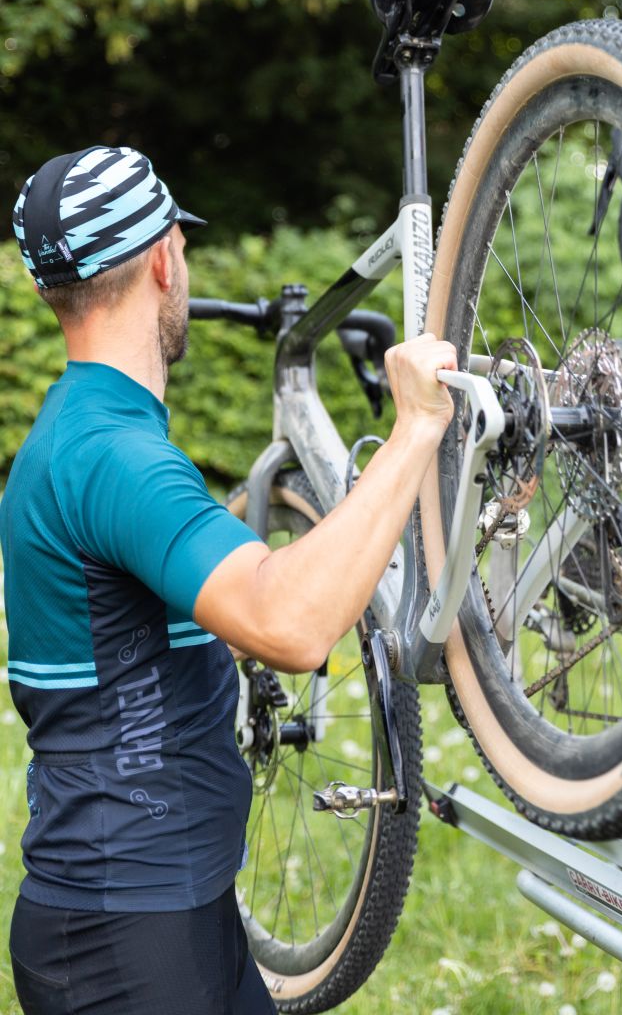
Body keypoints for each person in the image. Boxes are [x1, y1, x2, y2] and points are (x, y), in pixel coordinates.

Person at [0, 145, 456, 1015]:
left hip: (153, 914)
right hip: (126, 945)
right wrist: (414, 429)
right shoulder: (112, 458)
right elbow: (288, 625)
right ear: (166, 259)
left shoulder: (81, 436)